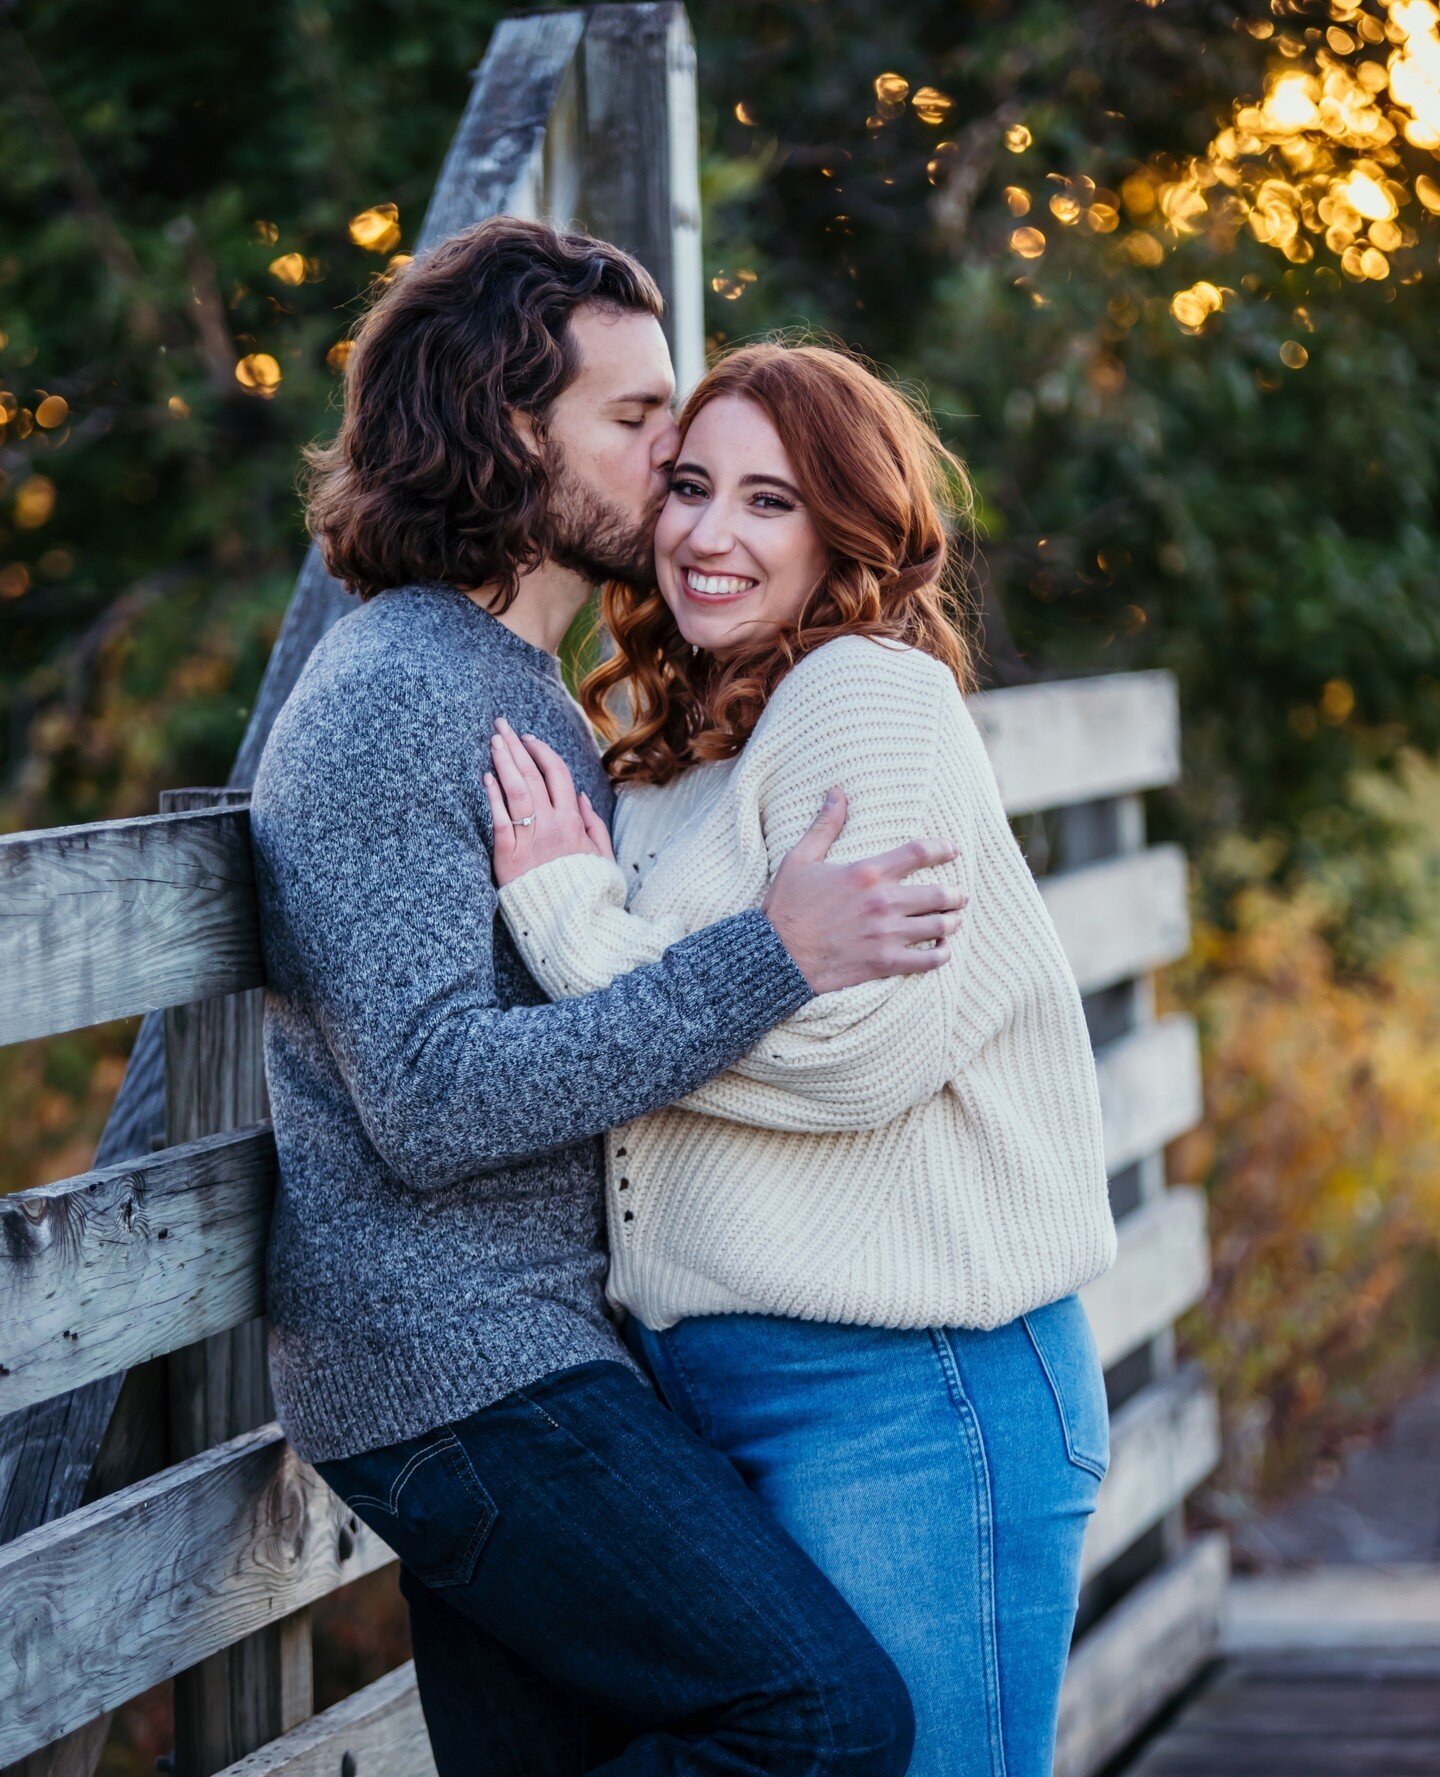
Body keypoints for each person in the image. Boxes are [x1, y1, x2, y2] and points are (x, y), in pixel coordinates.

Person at [250, 218, 970, 1774]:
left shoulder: (519, 689)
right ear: (510, 433)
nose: (677, 459)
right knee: (823, 1719)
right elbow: (434, 1102)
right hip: (460, 1367)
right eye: (639, 421)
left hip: (526, 1346)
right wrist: (772, 952)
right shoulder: (396, 695)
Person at [483, 340, 1119, 1777]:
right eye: (692, 486)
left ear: (846, 527)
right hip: (699, 1383)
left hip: (911, 1389)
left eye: (770, 502)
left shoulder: (868, 696)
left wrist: (576, 934)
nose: (711, 533)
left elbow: (857, 1055)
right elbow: (690, 1022)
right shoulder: (670, 751)